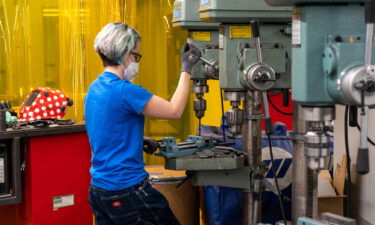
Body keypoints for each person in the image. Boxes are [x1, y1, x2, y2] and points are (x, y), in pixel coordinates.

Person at [84, 22, 201, 225]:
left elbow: (106, 127)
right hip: (127, 191)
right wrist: (187, 68)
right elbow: (175, 110)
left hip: (99, 191)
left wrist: (137, 139)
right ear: (125, 55)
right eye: (136, 56)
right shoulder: (126, 90)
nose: (136, 61)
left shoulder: (94, 88)